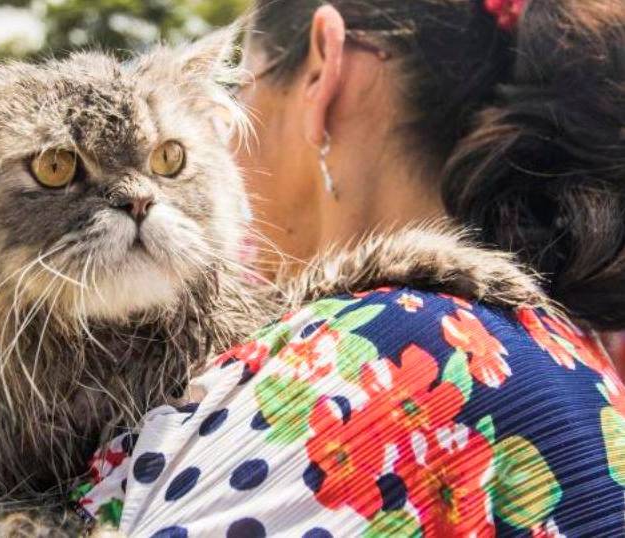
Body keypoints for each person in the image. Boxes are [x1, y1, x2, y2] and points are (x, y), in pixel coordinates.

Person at [76, 0, 625, 535]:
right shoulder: (556, 337)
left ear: (322, 69)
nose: (230, 151)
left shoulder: (370, 363)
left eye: (240, 89)